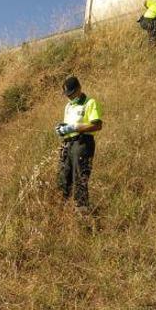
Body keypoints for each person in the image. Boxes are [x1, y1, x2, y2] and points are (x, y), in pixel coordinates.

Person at [55, 76, 103, 212]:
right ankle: (62, 210)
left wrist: (76, 127)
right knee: (63, 178)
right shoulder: (69, 106)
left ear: (79, 89)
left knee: (79, 178)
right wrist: (62, 129)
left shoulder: (90, 103)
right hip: (68, 144)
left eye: (71, 94)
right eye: (67, 95)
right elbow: (68, 125)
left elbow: (97, 125)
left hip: (82, 144)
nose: (69, 97)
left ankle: (82, 213)